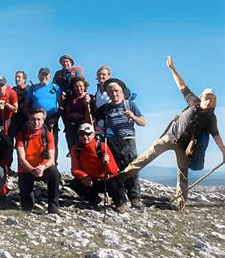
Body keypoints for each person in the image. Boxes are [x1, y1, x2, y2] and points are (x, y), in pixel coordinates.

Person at [121, 56, 225, 210]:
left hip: (184, 148)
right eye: (207, 98)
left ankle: (180, 206)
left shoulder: (211, 118)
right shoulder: (193, 101)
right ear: (201, 97)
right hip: (168, 138)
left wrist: (223, 152)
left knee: (182, 176)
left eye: (212, 99)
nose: (209, 101)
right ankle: (120, 178)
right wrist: (172, 68)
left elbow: (216, 137)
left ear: (214, 101)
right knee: (145, 158)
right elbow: (182, 85)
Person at [94, 79, 146, 209]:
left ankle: (135, 198)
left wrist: (133, 117)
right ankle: (120, 198)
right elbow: (94, 122)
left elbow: (143, 122)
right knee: (115, 169)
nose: (114, 94)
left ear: (121, 91)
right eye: (110, 91)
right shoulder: (104, 108)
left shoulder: (130, 105)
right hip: (111, 141)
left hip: (128, 139)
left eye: (116, 91)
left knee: (132, 168)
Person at [69, 123, 129, 213]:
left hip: (105, 180)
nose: (85, 137)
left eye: (88, 134)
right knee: (75, 183)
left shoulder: (101, 146)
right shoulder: (76, 149)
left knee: (115, 181)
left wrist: (107, 162)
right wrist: (84, 176)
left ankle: (120, 202)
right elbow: (74, 169)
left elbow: (113, 171)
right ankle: (93, 199)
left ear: (93, 134)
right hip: (91, 181)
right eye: (81, 134)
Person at [15, 109, 60, 214]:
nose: (36, 122)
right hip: (26, 169)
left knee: (54, 173)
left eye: (39, 119)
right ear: (29, 120)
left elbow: (51, 159)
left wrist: (42, 167)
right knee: (26, 208)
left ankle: (53, 207)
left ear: (43, 121)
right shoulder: (21, 135)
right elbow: (21, 159)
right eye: (33, 119)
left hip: (42, 168)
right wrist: (31, 170)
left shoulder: (48, 135)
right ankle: (28, 206)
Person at [26, 68, 61, 162]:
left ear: (49, 76)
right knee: (37, 142)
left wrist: (56, 118)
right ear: (38, 76)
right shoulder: (32, 88)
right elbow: (26, 104)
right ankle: (37, 163)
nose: (44, 77)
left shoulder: (55, 87)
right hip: (36, 119)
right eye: (42, 75)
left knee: (52, 142)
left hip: (51, 119)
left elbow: (61, 105)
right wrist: (30, 117)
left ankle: (52, 164)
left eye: (46, 75)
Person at [59, 76, 96, 151]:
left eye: (80, 86)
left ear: (84, 86)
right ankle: (72, 152)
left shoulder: (90, 97)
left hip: (85, 124)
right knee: (73, 144)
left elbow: (94, 112)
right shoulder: (71, 99)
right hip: (73, 126)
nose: (78, 88)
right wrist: (72, 115)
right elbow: (66, 113)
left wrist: (86, 108)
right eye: (76, 86)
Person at [10, 70, 30, 137]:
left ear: (24, 79)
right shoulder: (12, 90)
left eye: (19, 77)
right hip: (16, 120)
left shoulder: (30, 89)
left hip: (28, 119)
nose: (17, 79)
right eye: (16, 77)